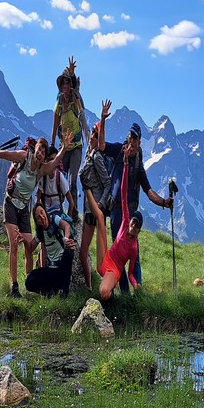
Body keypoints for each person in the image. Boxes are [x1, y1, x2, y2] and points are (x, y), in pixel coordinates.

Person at [0, 132, 71, 297]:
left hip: (24, 208)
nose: (40, 154)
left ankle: (29, 284)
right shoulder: (24, 157)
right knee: (14, 244)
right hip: (11, 203)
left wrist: (64, 149)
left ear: (44, 157)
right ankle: (14, 286)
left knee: (29, 248)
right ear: (35, 149)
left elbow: (55, 163)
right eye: (39, 150)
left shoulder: (41, 169)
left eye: (43, 153)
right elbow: (8, 155)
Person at [100, 119, 173, 292]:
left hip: (130, 214)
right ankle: (125, 293)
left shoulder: (138, 165)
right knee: (118, 254)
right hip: (116, 210)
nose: (131, 141)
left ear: (139, 142)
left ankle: (137, 290)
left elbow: (148, 190)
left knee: (134, 254)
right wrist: (102, 119)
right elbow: (101, 146)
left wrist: (164, 202)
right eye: (130, 137)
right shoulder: (119, 150)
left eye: (135, 139)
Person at [97, 143, 144, 302]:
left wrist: (135, 284)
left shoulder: (134, 248)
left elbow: (130, 273)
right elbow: (123, 194)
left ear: (138, 231)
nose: (133, 226)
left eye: (136, 226)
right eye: (133, 223)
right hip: (107, 256)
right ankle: (87, 187)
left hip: (115, 269)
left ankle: (113, 301)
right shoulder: (125, 223)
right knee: (99, 216)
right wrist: (125, 166)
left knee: (104, 293)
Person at [78, 99, 114, 289]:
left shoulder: (97, 157)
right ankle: (91, 286)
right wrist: (78, 103)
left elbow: (107, 183)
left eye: (95, 135)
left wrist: (100, 204)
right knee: (83, 251)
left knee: (86, 251)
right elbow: (84, 126)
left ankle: (95, 286)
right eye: (92, 134)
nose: (91, 137)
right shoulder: (88, 153)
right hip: (88, 208)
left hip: (95, 209)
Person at [50, 56, 88, 220]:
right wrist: (52, 144)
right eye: (63, 83)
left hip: (76, 147)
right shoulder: (59, 102)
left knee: (72, 181)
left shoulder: (75, 98)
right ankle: (56, 210)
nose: (65, 86)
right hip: (63, 147)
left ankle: (74, 214)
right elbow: (55, 124)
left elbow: (82, 117)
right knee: (58, 178)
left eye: (67, 82)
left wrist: (72, 74)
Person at [24, 203, 76, 297]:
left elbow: (66, 226)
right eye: (38, 217)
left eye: (42, 212)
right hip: (51, 269)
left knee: (68, 252)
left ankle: (64, 292)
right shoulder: (40, 232)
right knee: (29, 281)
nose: (42, 217)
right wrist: (24, 241)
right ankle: (49, 293)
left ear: (45, 211)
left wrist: (66, 239)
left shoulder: (54, 219)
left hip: (62, 267)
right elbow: (30, 249)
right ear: (37, 222)